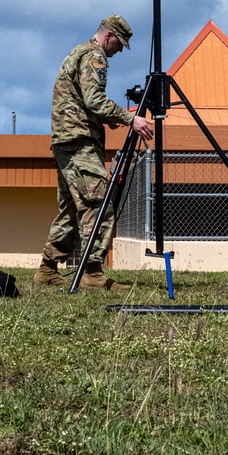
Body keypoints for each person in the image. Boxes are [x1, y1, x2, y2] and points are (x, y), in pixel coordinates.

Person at [35, 15, 154, 288]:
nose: (119, 51)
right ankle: (92, 273)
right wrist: (129, 119)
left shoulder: (78, 53)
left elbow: (81, 101)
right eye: (120, 44)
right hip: (79, 142)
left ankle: (47, 270)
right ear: (109, 36)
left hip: (66, 141)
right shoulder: (94, 56)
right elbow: (93, 99)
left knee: (71, 208)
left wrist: (103, 118)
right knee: (98, 203)